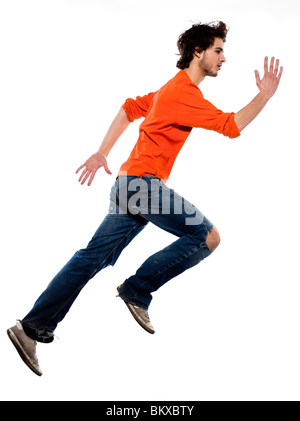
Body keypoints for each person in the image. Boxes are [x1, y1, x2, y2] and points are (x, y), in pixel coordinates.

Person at [7, 21, 283, 376]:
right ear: (198, 52)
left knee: (89, 260)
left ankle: (31, 328)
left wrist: (101, 152)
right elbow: (232, 126)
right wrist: (264, 96)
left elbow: (128, 107)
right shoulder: (183, 93)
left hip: (126, 186)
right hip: (143, 186)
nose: (223, 58)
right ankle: (137, 290)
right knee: (207, 237)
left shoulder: (168, 90)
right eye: (218, 50)